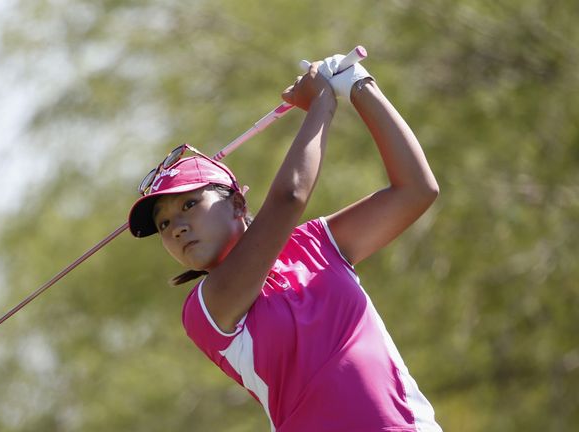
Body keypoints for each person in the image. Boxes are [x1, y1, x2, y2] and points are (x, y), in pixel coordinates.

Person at [128, 53, 443, 431]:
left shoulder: (317, 243)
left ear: (237, 203)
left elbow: (416, 191)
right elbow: (290, 196)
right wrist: (322, 103)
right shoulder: (207, 307)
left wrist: (359, 85)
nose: (176, 227)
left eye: (189, 204)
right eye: (163, 224)